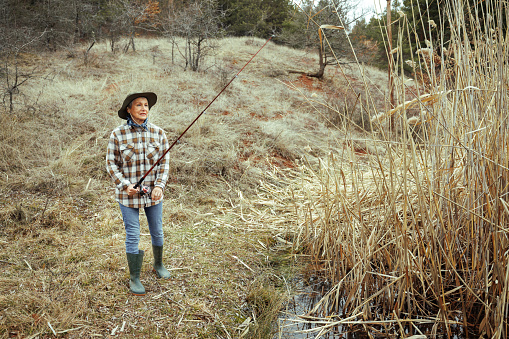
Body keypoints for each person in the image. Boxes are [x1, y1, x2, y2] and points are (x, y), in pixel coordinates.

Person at [106, 92, 171, 296]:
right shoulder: (117, 134)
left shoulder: (159, 133)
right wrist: (125, 185)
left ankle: (158, 264)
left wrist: (159, 186)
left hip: (153, 195)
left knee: (157, 231)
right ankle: (135, 277)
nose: (144, 108)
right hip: (127, 196)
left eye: (146, 105)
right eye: (138, 105)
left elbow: (164, 164)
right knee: (133, 234)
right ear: (129, 109)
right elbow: (111, 164)